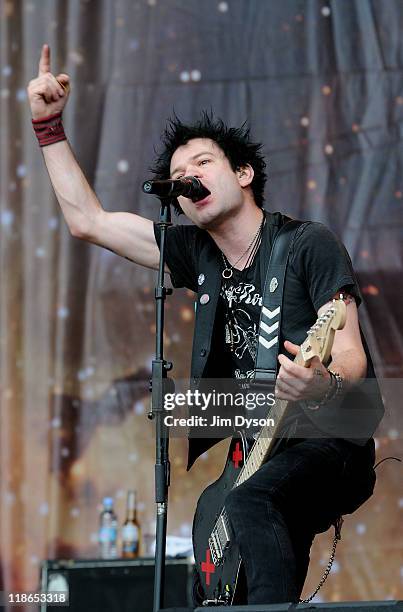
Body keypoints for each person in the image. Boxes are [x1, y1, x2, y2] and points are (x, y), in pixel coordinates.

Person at [28, 45, 382, 604]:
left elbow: (352, 356)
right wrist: (47, 125)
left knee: (249, 503)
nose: (186, 176)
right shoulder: (197, 253)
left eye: (201, 163)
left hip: (329, 438)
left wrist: (320, 383)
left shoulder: (308, 244)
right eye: (176, 175)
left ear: (242, 174)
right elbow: (87, 221)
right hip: (258, 449)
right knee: (217, 540)